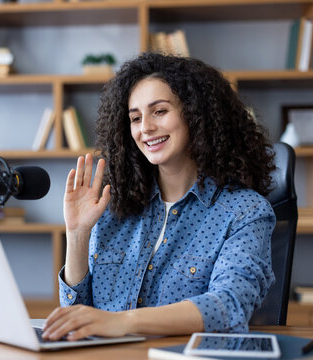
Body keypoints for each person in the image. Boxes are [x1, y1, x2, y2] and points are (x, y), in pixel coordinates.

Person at [42, 52, 276, 341]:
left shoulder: (245, 212)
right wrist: (77, 235)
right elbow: (78, 318)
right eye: (135, 118)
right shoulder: (113, 206)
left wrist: (122, 322)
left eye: (160, 111)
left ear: (195, 113)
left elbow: (228, 307)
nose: (145, 128)